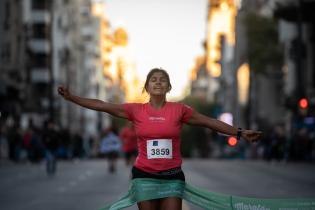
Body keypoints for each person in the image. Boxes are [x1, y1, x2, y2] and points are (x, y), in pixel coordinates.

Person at [58, 68, 262, 210]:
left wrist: (239, 132)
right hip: (143, 176)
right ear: (146, 87)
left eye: (162, 79)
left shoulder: (180, 110)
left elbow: (209, 121)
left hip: (172, 176)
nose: (157, 82)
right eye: (153, 79)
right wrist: (72, 98)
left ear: (168, 87)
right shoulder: (135, 110)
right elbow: (102, 105)